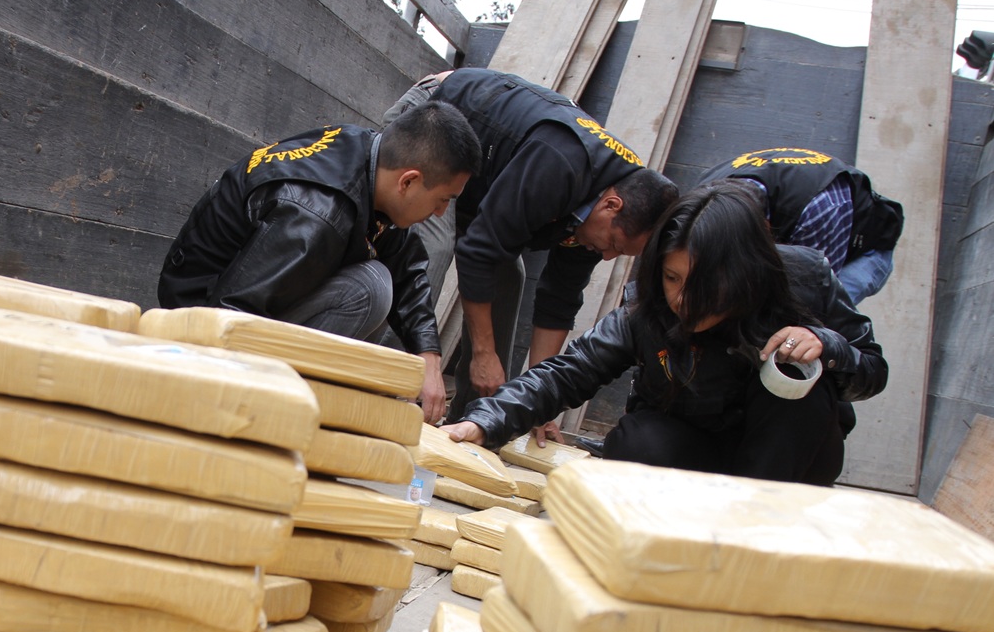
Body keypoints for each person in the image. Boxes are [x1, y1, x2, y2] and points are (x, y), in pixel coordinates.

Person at [443, 181, 888, 487]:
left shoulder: (804, 279)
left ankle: (751, 533)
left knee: (800, 385)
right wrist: (485, 421)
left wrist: (828, 347)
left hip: (784, 465)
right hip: (695, 448)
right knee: (636, 440)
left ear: (743, 273)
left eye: (704, 283)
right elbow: (569, 371)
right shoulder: (648, 304)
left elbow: (872, 369)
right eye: (673, 279)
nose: (684, 300)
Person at [156, 102, 482, 424]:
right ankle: (273, 409)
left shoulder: (370, 159)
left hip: (240, 297)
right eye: (443, 200)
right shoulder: (317, 213)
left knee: (385, 283)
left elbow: (407, 269)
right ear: (408, 181)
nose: (440, 213)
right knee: (370, 288)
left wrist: (428, 358)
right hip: (201, 322)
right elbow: (229, 314)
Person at [382, 68, 679, 420]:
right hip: (435, 121)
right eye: (613, 244)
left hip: (480, 182)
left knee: (509, 275)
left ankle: (475, 420)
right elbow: (478, 252)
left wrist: (541, 400)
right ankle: (383, 390)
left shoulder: (605, 207)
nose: (608, 255)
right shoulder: (562, 164)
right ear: (610, 206)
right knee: (433, 248)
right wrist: (483, 354)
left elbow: (558, 300)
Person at [697, 147, 904, 306]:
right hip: (800, 213)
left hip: (864, 251)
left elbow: (811, 290)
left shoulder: (819, 211)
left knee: (813, 318)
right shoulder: (703, 196)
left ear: (765, 226)